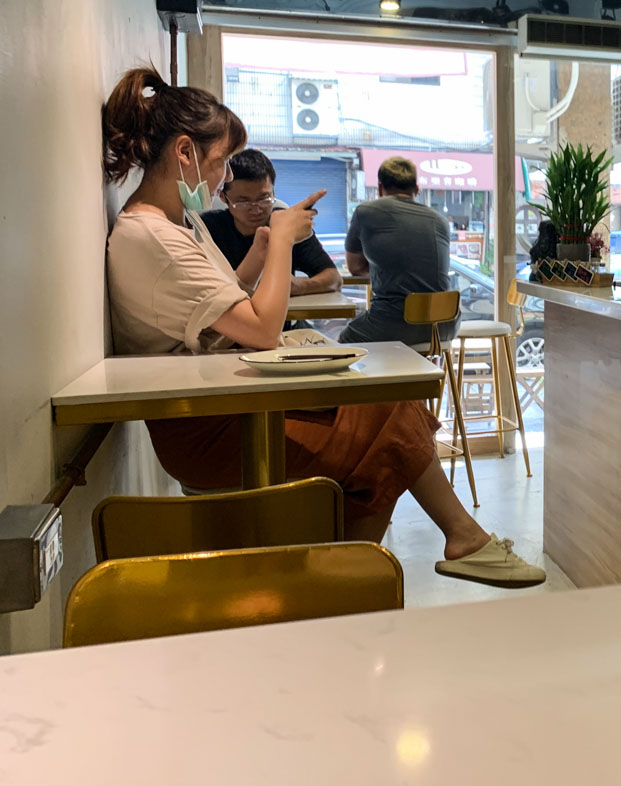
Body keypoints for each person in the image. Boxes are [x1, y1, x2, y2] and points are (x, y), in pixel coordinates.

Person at [102, 67, 544, 588]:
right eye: (219, 163)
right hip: (208, 423)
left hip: (224, 399)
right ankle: (366, 574)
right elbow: (263, 330)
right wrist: (283, 240)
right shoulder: (152, 235)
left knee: (393, 411)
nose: (221, 182)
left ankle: (349, 577)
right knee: (395, 422)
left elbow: (229, 301)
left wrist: (264, 250)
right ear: (184, 153)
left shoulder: (175, 226)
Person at [339, 156, 454, 346]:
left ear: (380, 189)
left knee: (346, 340)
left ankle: (384, 376)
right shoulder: (439, 220)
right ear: (416, 190)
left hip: (392, 324)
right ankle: (428, 374)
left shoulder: (365, 211)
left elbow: (355, 267)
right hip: (443, 326)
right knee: (417, 340)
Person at [199, 148, 342, 296]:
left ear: (273, 192)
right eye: (243, 202)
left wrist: (297, 286)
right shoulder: (207, 229)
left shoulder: (287, 224)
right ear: (223, 197)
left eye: (264, 199)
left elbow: (333, 278)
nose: (256, 210)